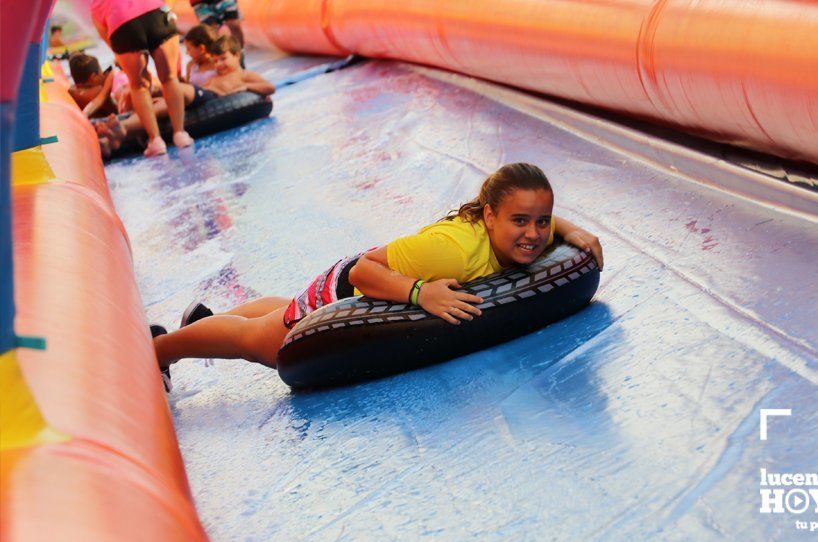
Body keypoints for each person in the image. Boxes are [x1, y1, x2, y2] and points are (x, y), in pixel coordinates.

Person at [151, 163, 604, 391]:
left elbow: (536, 218)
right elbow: (366, 268)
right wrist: (419, 293)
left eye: (542, 223)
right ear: (489, 216)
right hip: (351, 286)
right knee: (258, 343)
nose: (533, 234)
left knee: (278, 312)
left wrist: (571, 229)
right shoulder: (452, 250)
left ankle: (206, 319)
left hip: (368, 278)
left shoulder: (517, 224)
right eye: (520, 222)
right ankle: (159, 349)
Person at [90, 0, 193, 156]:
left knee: (138, 85)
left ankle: (155, 140)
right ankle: (180, 133)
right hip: (155, 12)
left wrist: (117, 50)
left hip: (122, 23)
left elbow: (102, 28)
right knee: (170, 78)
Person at [203, 36, 274, 96]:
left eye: (223, 59)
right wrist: (212, 89)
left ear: (237, 55)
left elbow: (270, 87)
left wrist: (246, 86)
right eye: (215, 61)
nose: (218, 64)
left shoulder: (244, 75)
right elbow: (202, 92)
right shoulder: (212, 80)